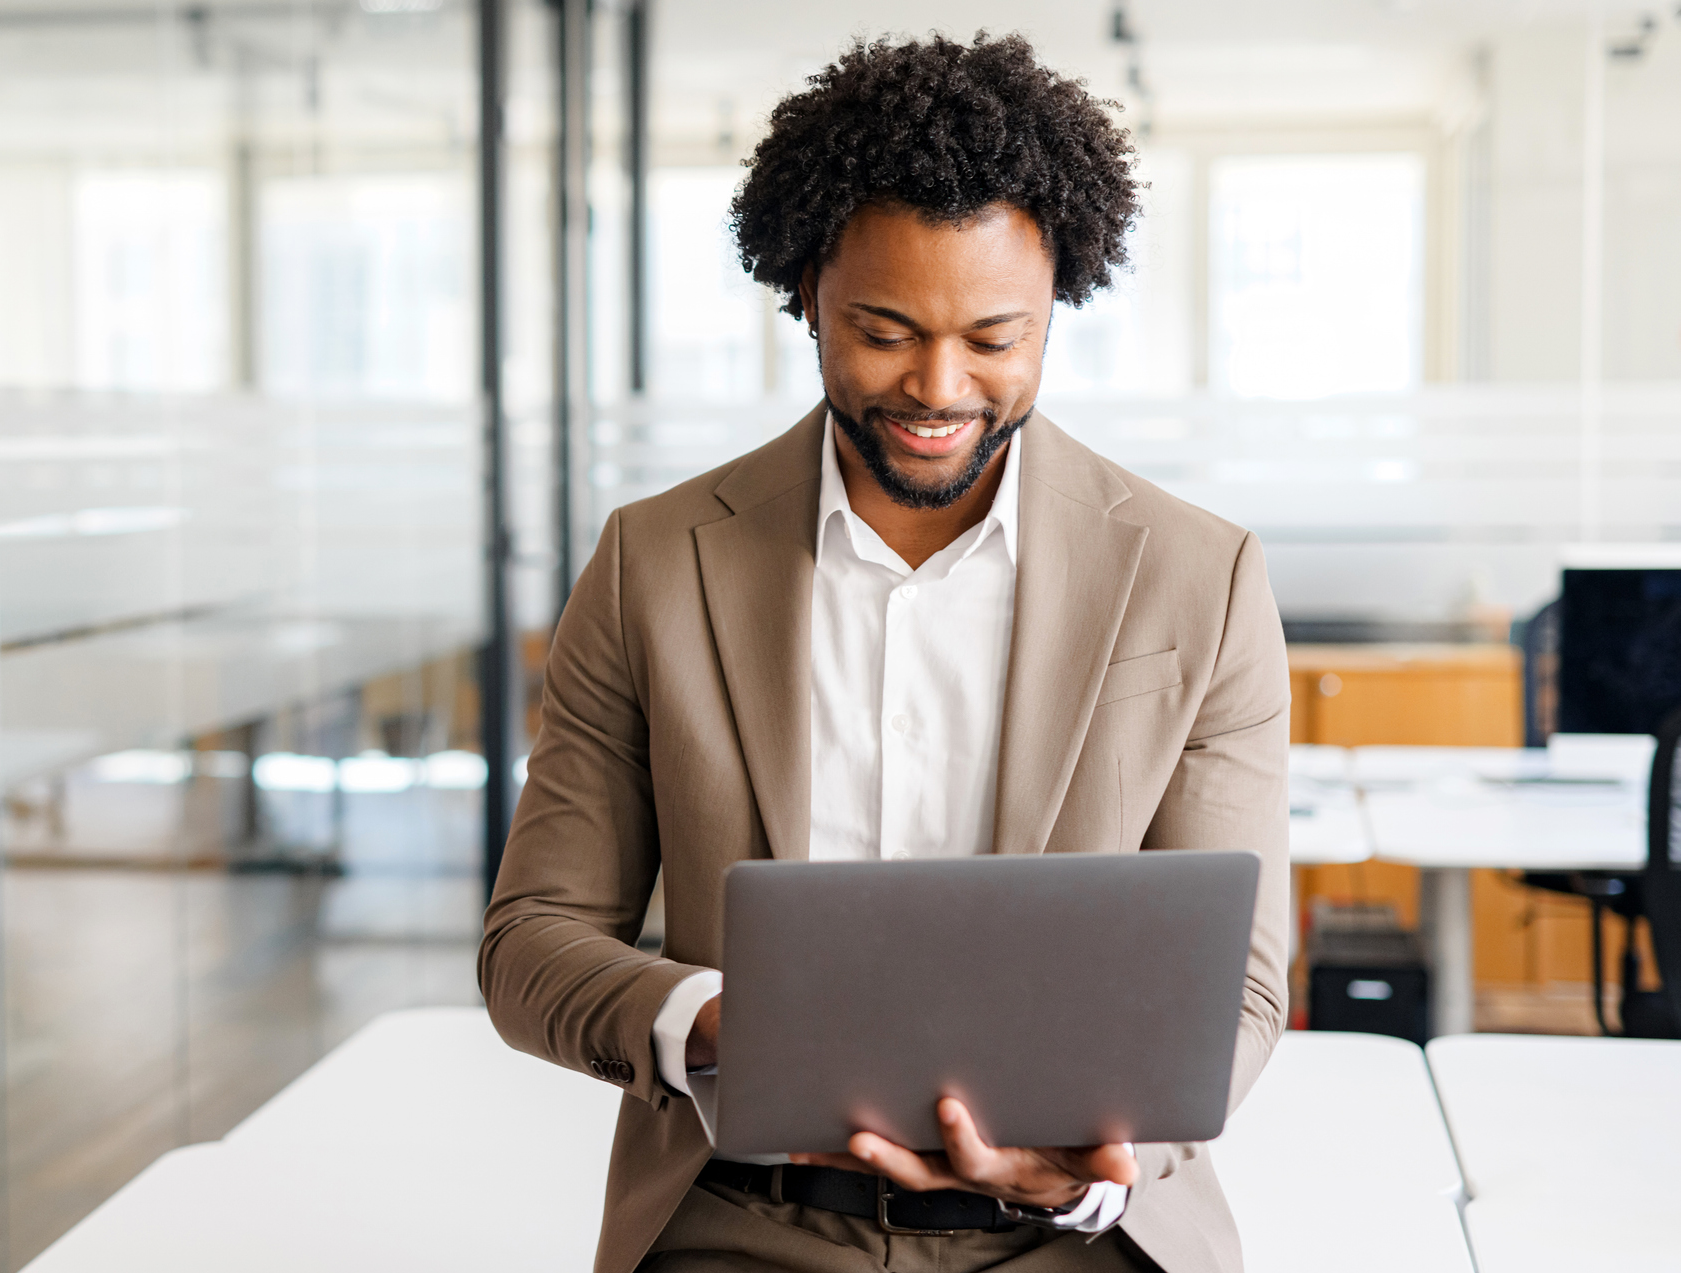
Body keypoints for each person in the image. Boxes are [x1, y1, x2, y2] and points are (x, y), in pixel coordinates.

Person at [480, 31, 1290, 1273]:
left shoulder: (1198, 576)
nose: (938, 385)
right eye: (885, 329)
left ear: (1054, 310)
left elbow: (1234, 992)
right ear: (804, 291)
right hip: (742, 1218)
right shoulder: (656, 562)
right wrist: (710, 1025)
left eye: (993, 337)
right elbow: (530, 940)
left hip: (1076, 1230)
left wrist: (1080, 1169)